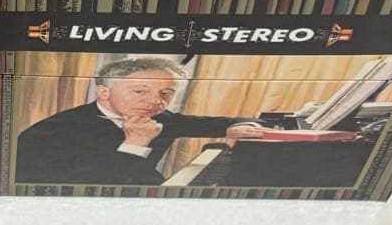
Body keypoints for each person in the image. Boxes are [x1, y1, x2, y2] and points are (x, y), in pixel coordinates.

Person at [15, 57, 263, 186]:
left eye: (166, 93)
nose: (155, 101)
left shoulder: (162, 117)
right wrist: (134, 144)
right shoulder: (54, 132)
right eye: (140, 91)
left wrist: (241, 126)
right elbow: (97, 186)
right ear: (104, 93)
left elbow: (218, 123)